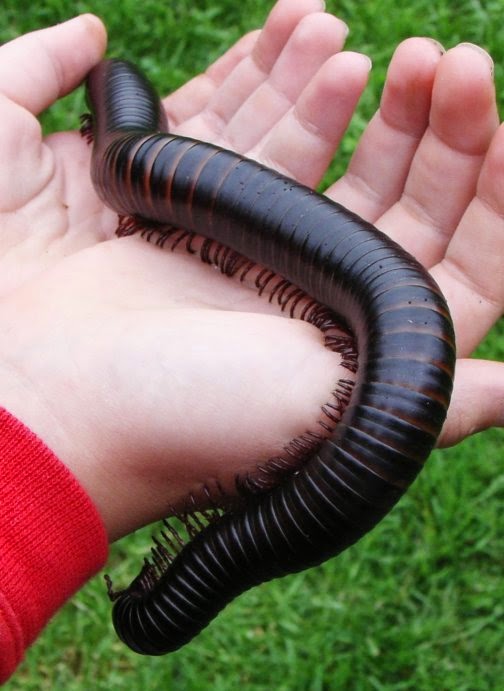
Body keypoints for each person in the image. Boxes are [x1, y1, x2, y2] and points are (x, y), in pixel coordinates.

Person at [0, 0, 502, 682]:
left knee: (144, 164)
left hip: (393, 309)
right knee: (142, 163)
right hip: (390, 313)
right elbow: (130, 161)